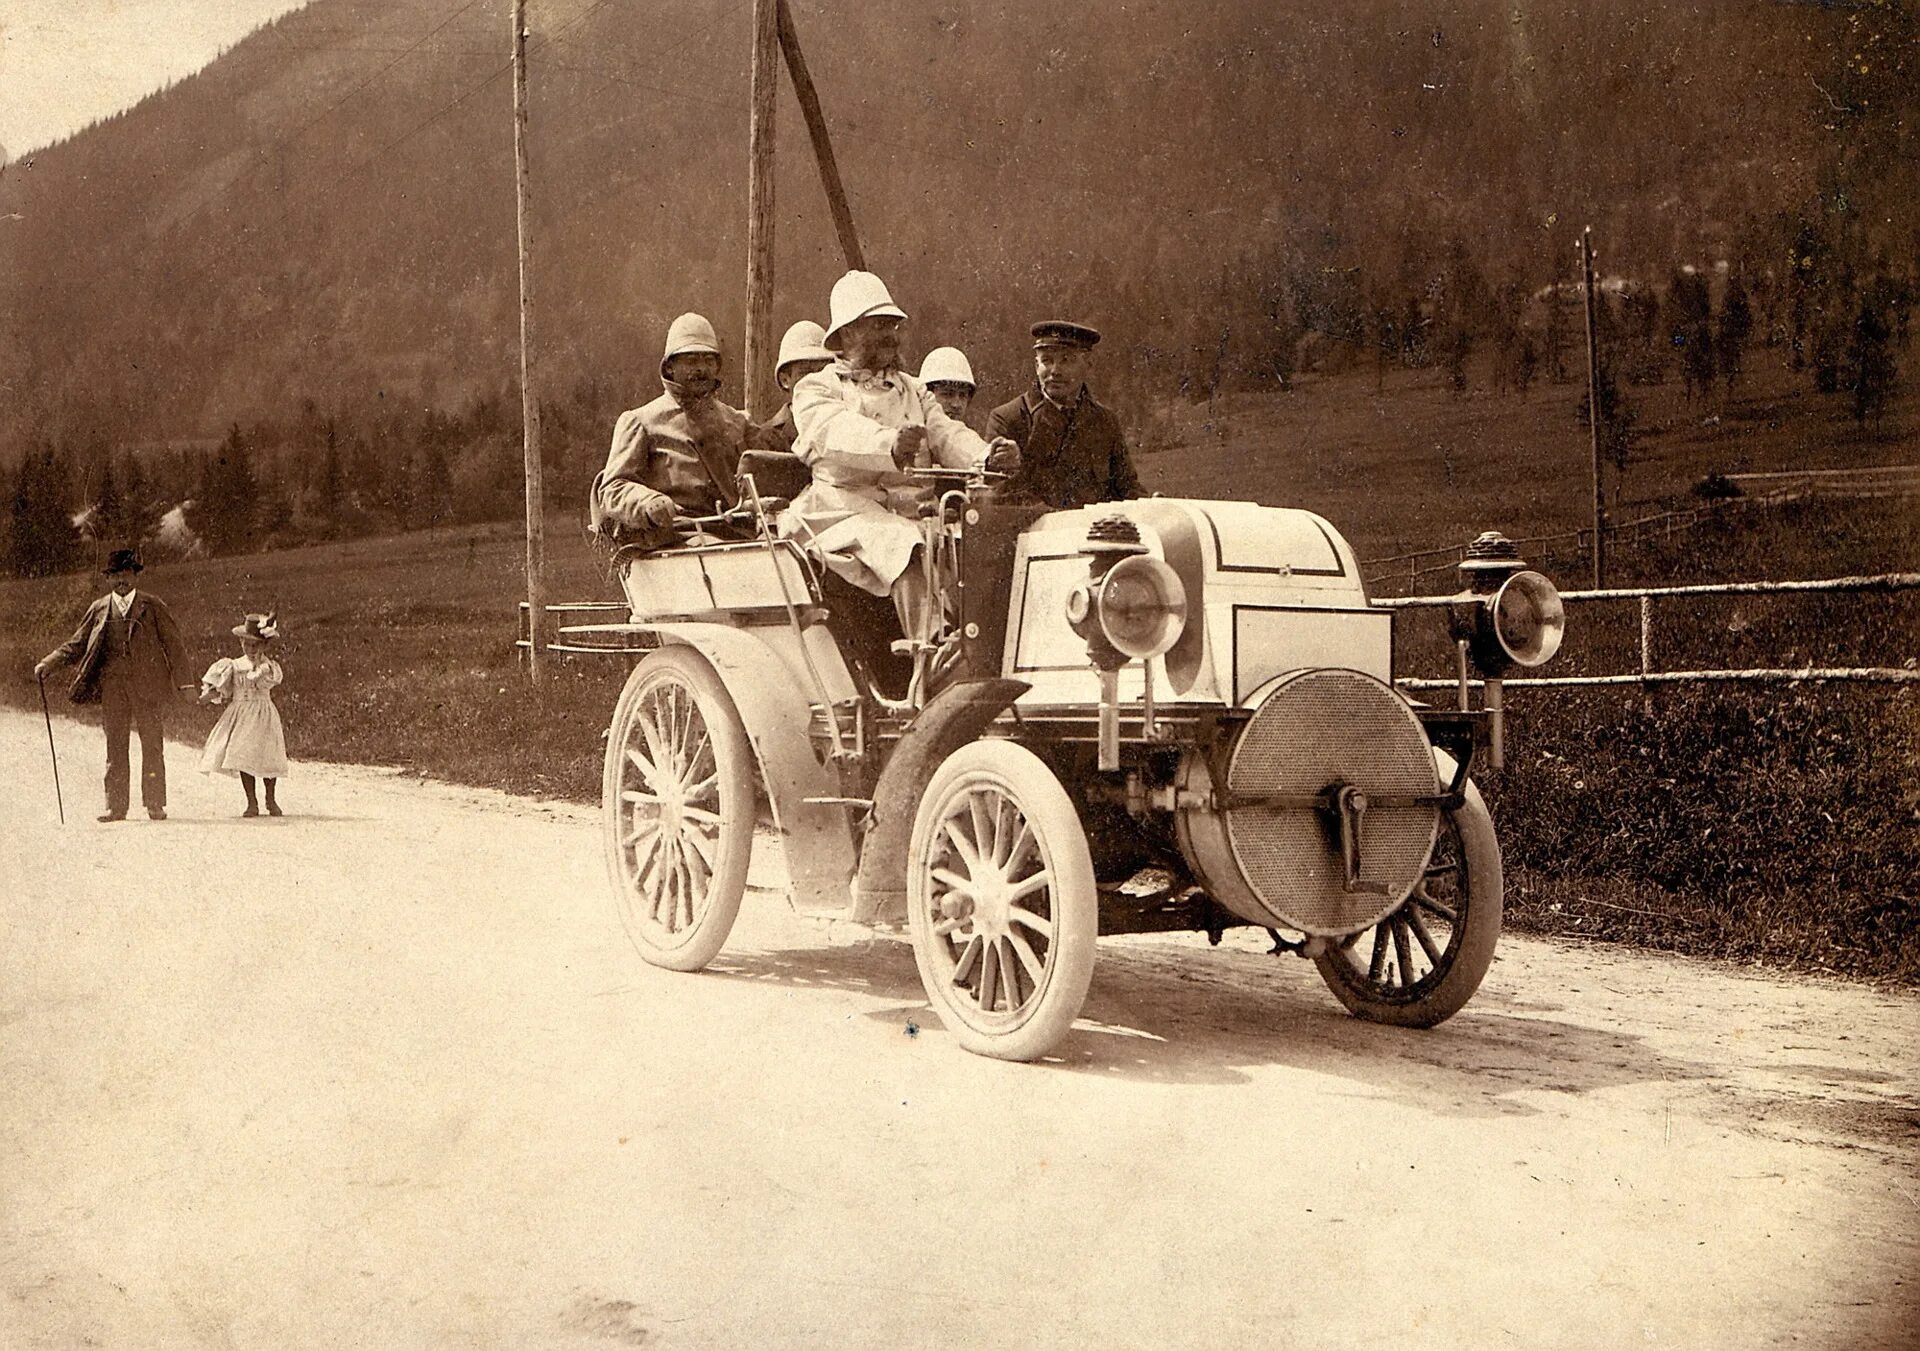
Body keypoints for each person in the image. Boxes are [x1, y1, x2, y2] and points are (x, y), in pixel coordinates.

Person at [783, 270, 1021, 640]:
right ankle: (932, 653)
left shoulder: (914, 390)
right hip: (841, 515)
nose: (892, 336)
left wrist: (987, 456)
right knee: (906, 547)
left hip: (909, 515)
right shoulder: (816, 388)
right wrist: (890, 444)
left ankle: (985, 646)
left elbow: (948, 433)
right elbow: (834, 429)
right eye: (879, 325)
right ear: (847, 334)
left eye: (894, 325)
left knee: (976, 547)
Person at [33, 547, 189, 822]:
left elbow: (174, 646)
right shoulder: (99, 608)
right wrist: (49, 663)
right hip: (113, 688)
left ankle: (155, 804)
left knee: (152, 744)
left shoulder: (151, 606)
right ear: (108, 579)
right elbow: (77, 644)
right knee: (115, 745)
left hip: (147, 686)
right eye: (115, 575)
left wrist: (186, 684)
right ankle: (115, 807)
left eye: (126, 574)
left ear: (135, 576)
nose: (121, 581)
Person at [589, 312, 760, 551]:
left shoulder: (737, 421)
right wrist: (649, 502)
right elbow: (612, 489)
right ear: (670, 367)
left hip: (742, 534)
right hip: (679, 539)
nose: (701, 369)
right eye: (691, 361)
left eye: (709, 361)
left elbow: (768, 467)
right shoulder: (642, 421)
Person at [988, 320, 1142, 509]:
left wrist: (1151, 507)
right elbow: (1000, 495)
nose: (1055, 371)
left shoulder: (1105, 421)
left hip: (1094, 533)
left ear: (1087, 365)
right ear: (1036, 366)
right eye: (1047, 361)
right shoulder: (1008, 418)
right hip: (1036, 533)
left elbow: (1128, 488)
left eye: (1066, 360)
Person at [197, 613, 289, 817]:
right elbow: (224, 689)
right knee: (243, 753)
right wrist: (207, 695)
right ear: (241, 644)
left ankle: (270, 798)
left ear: (265, 646)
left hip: (263, 712)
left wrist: (262, 670)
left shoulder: (269, 667)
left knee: (267, 755)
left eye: (256, 645)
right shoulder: (234, 665)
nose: (251, 649)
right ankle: (251, 801)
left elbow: (272, 680)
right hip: (241, 714)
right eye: (247, 645)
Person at [758, 320, 834, 454]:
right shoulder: (768, 437)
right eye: (805, 372)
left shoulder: (842, 423)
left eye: (822, 370)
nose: (815, 379)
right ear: (785, 380)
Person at [917, 346, 978, 428]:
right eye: (947, 394)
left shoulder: (970, 439)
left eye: (962, 395)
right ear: (925, 395)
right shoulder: (905, 437)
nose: (956, 404)